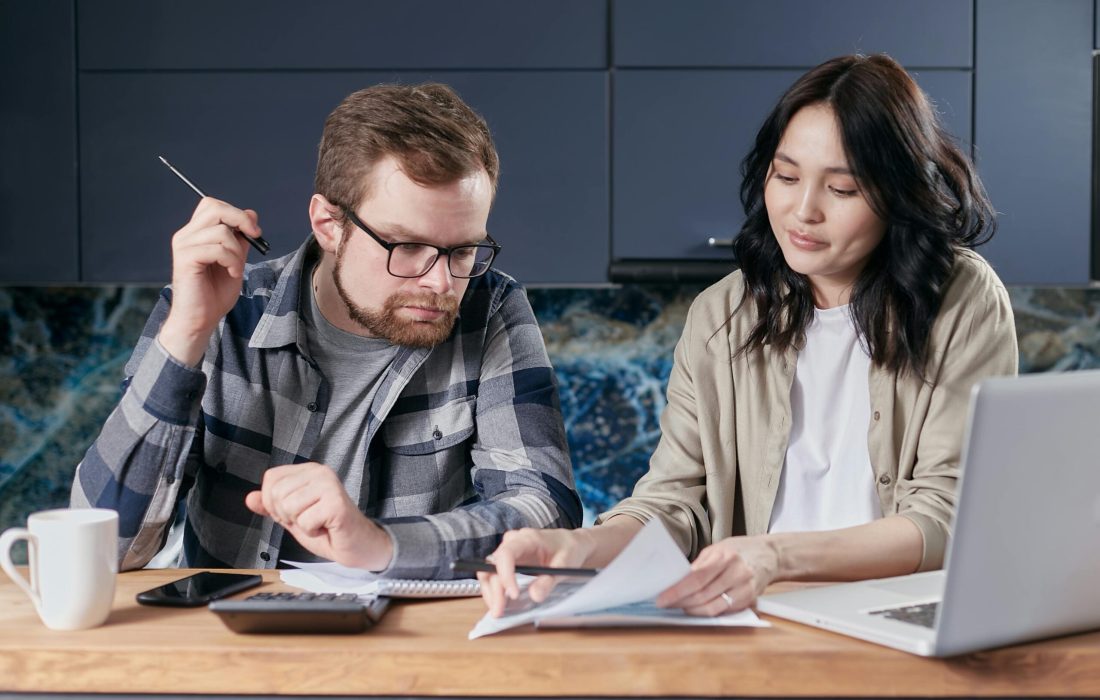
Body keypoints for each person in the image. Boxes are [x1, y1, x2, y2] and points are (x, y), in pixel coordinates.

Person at [478, 54, 1018, 616]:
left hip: (893, 622)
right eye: (785, 177)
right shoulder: (721, 315)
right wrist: (580, 546)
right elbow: (675, 503)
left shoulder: (962, 300)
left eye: (843, 189)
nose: (802, 211)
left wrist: (774, 556)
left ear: (897, 195)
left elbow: (949, 515)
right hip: (759, 623)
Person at [71, 83, 581, 578]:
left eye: (464, 250)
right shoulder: (210, 310)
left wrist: (378, 545)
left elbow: (544, 512)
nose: (442, 282)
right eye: (406, 247)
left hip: (412, 645)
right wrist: (186, 332)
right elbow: (105, 550)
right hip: (232, 646)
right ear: (329, 224)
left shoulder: (490, 307)